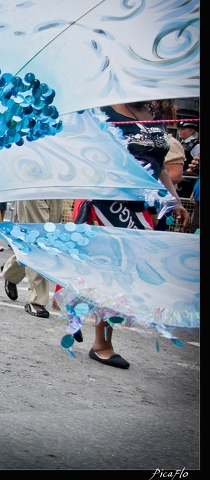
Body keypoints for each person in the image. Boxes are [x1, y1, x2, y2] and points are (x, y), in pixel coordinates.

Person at [69, 101, 190, 369]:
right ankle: (102, 344)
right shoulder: (103, 113)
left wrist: (174, 200)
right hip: (107, 204)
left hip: (142, 209)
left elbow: (159, 167)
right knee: (113, 273)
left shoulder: (153, 118)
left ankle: (74, 308)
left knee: (125, 274)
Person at [1, 199, 64, 318]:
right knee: (37, 239)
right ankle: (36, 300)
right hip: (33, 187)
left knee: (50, 240)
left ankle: (11, 272)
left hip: (57, 188)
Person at [176, 121, 200, 199]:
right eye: (179, 129)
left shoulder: (196, 145)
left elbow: (197, 165)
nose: (180, 131)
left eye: (183, 129)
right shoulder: (180, 143)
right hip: (178, 180)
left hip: (188, 182)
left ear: (191, 130)